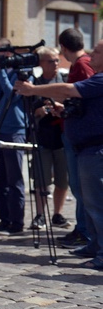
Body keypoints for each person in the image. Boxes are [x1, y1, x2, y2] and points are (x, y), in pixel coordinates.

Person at [15, 39, 103, 271]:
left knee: (97, 204)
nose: (91, 54)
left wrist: (33, 90)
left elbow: (68, 89)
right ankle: (95, 245)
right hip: (86, 149)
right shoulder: (95, 77)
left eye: (97, 51)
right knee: (90, 202)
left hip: (96, 150)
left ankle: (102, 253)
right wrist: (65, 110)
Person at [57, 28, 94, 249]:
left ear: (63, 47)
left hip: (79, 135)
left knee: (80, 187)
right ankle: (82, 229)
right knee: (78, 186)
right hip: (75, 131)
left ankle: (85, 231)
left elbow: (85, 97)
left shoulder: (82, 65)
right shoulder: (83, 63)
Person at [0, 38, 28, 236]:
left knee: (15, 179)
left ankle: (17, 222)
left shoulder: (22, 72)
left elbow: (14, 95)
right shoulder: (3, 73)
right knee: (0, 179)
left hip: (15, 131)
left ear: (9, 53)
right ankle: (4, 220)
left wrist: (0, 70)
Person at [29, 46, 70, 230]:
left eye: (56, 60)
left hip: (63, 139)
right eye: (50, 60)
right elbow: (28, 109)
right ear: (41, 63)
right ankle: (40, 215)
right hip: (43, 138)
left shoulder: (65, 80)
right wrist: (38, 111)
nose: (54, 63)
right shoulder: (35, 84)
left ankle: (57, 214)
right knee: (41, 180)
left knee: (63, 179)